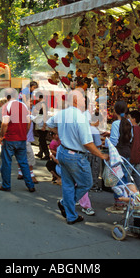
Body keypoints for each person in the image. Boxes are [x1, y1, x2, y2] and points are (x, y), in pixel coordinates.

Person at [46, 89, 108, 224]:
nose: (84, 100)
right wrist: (101, 155)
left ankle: (71, 215)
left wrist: (61, 133)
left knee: (68, 185)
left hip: (63, 152)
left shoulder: (62, 114)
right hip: (75, 156)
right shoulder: (80, 118)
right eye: (82, 99)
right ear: (75, 101)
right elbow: (87, 143)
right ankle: (66, 204)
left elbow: (49, 124)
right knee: (86, 183)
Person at [0, 89, 35, 193]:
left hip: (10, 138)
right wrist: (25, 133)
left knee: (6, 163)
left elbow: (5, 123)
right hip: (21, 138)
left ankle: (6, 185)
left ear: (7, 97)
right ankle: (30, 185)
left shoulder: (6, 106)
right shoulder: (23, 106)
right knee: (23, 163)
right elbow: (29, 122)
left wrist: (1, 136)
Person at [17, 113, 38, 183]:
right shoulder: (26, 115)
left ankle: (20, 173)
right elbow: (28, 125)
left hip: (20, 139)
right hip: (25, 140)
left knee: (20, 156)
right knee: (30, 157)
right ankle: (31, 175)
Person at [129, 110, 140, 189]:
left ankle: (129, 193)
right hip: (137, 155)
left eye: (129, 118)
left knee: (128, 176)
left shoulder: (132, 129)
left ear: (133, 119)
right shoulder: (139, 129)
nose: (128, 119)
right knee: (137, 177)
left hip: (131, 155)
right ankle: (137, 192)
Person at [33, 95, 50, 160]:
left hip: (42, 124)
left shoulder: (43, 104)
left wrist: (44, 125)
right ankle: (40, 152)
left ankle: (47, 154)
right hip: (42, 123)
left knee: (42, 139)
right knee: (41, 139)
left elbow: (45, 115)